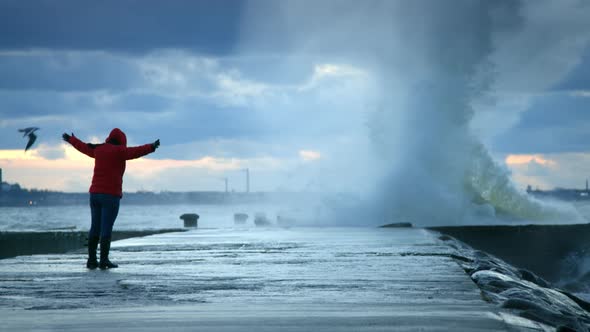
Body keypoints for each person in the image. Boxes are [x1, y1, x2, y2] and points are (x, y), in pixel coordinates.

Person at [63, 128, 160, 270]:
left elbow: (84, 147)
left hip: (94, 194)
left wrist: (71, 140)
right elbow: (136, 151)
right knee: (106, 228)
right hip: (110, 195)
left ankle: (91, 261)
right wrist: (151, 147)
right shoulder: (120, 151)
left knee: (95, 227)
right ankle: (104, 260)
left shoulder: (99, 149)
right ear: (122, 141)